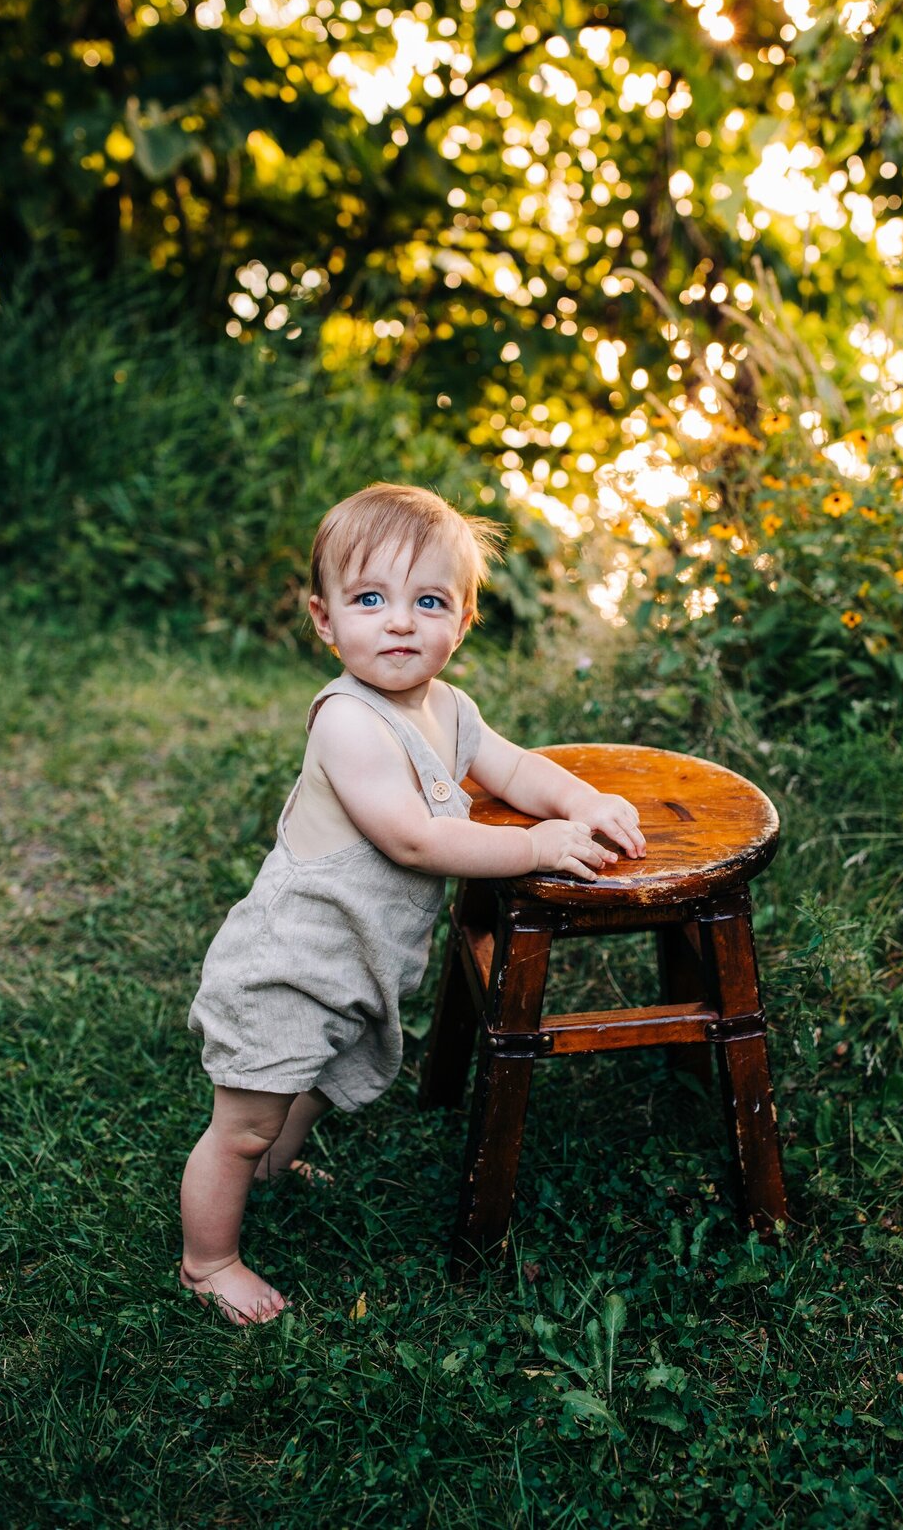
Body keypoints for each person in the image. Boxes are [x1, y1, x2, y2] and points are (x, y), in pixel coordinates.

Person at [180, 482, 646, 1325]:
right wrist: (536, 847)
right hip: (289, 964)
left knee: (317, 1083)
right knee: (242, 1121)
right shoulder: (348, 722)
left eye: (428, 601)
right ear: (326, 621)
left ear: (462, 623)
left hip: (357, 961)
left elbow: (512, 769)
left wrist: (575, 800)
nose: (400, 622)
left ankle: (276, 1165)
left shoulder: (449, 708)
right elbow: (415, 841)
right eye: (371, 599)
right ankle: (208, 1260)